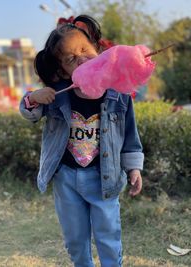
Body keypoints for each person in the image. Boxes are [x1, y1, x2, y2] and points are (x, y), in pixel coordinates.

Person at [20, 14, 144, 267]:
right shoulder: (57, 95)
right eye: (71, 59)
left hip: (104, 178)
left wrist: (134, 167)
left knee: (108, 235)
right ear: (61, 69)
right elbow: (29, 113)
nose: (82, 59)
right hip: (66, 178)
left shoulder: (119, 94)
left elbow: (130, 135)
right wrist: (33, 98)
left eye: (85, 50)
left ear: (98, 50)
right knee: (75, 238)